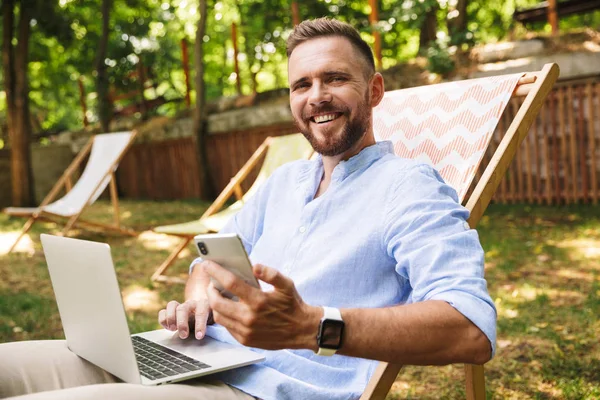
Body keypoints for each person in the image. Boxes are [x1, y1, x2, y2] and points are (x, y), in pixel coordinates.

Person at [0, 17, 496, 400]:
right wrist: (198, 299)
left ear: (375, 90)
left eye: (335, 79)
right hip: (199, 359)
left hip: (264, 390)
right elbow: (207, 261)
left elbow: (470, 329)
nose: (316, 96)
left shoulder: (409, 188)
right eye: (301, 85)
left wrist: (311, 326)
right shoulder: (283, 183)